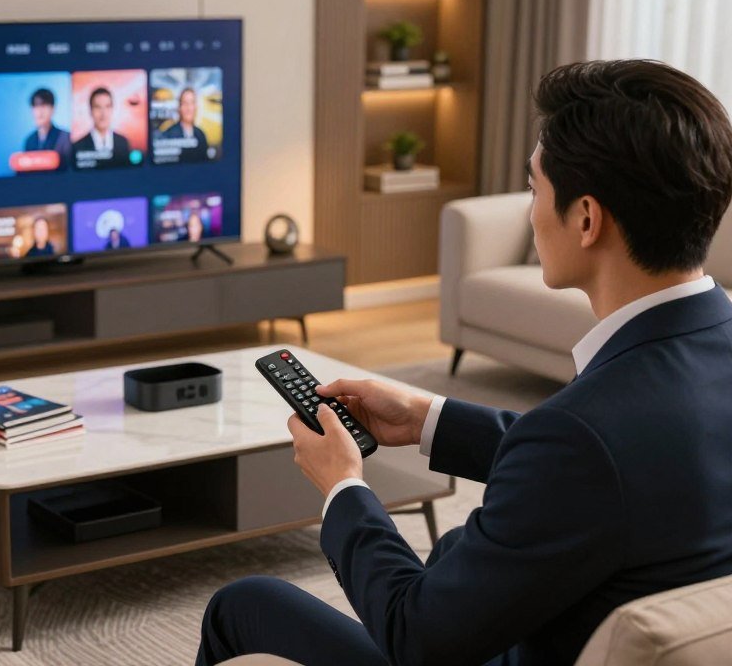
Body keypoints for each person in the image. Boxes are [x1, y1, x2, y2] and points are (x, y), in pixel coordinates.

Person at [196, 60, 732, 666]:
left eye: (534, 188)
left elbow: (415, 637)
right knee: (454, 545)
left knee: (243, 605)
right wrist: (429, 418)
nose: (530, 211)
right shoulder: (698, 358)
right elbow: (615, 465)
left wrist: (343, 486)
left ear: (586, 219)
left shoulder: (582, 436)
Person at [72, 87, 132, 169]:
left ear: (112, 109)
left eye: (107, 106)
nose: (103, 113)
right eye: (97, 107)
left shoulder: (123, 142)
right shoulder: (77, 146)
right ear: (90, 111)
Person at [22, 88, 71, 170]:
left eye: (44, 106)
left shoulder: (64, 138)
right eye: (36, 106)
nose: (39, 112)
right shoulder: (29, 141)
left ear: (52, 109)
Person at [161, 88, 210, 163]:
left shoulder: (201, 135)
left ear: (196, 107)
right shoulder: (168, 135)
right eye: (185, 103)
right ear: (179, 108)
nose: (189, 108)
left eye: (192, 103)